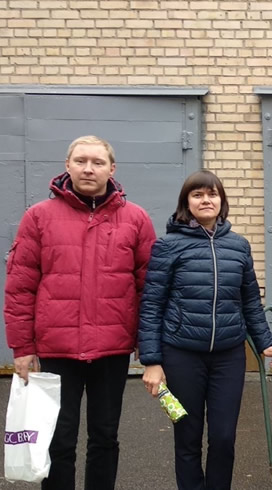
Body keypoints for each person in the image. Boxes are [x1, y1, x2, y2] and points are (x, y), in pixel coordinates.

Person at [3, 135, 156, 490]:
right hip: (57, 350)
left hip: (111, 349)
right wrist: (22, 348)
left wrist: (147, 344)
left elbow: (148, 287)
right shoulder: (38, 217)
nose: (89, 169)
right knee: (59, 440)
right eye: (81, 161)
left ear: (112, 169)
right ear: (67, 165)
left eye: (97, 162)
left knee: (105, 437)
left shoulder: (135, 219)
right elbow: (21, 287)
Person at [138, 170, 272, 490]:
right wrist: (151, 361)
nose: (206, 200)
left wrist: (266, 343)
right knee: (187, 436)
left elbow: (250, 301)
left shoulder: (239, 246)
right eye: (198, 194)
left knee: (223, 437)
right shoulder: (168, 246)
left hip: (228, 356)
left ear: (221, 201)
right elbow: (151, 306)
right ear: (186, 203)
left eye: (212, 194)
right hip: (182, 355)